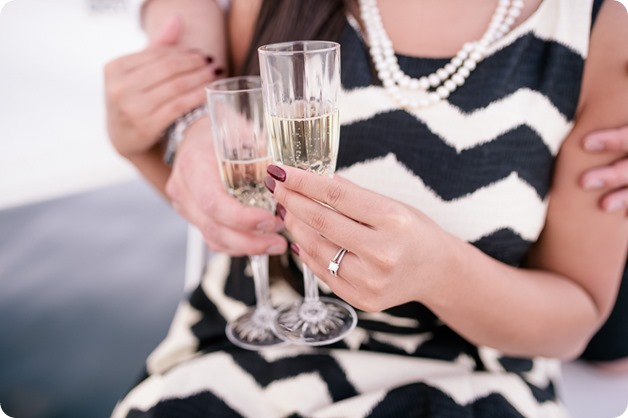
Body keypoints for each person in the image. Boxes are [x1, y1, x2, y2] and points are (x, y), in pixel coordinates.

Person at [105, 0, 628, 416]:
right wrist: (141, 143)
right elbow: (236, 209)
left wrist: (440, 273)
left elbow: (574, 318)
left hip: (467, 379)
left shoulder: (595, 33)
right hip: (244, 352)